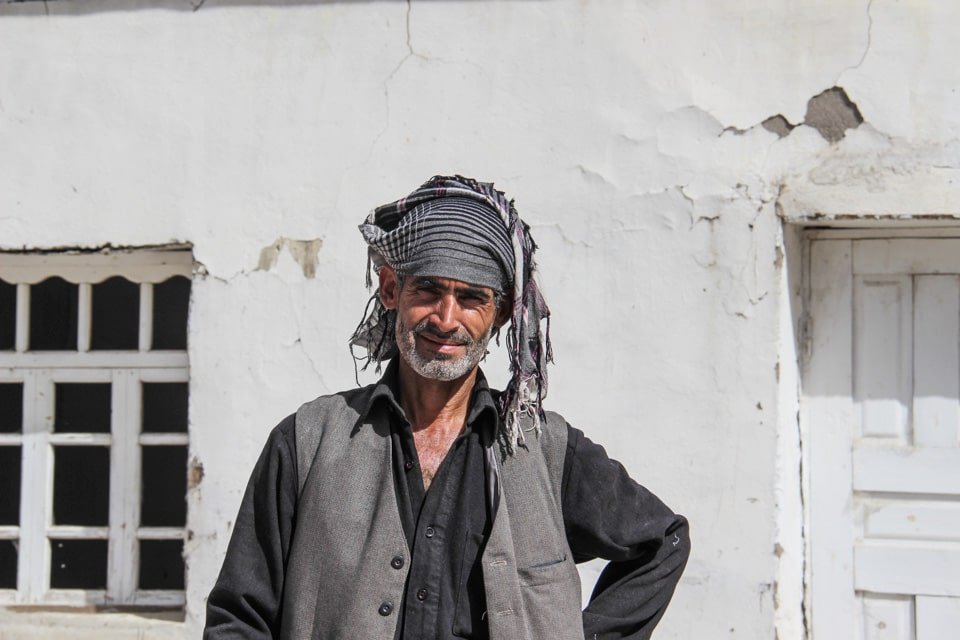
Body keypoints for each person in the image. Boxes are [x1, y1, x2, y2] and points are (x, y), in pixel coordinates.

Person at [204, 175, 690, 640]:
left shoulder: (544, 450)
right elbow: (240, 616)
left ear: (499, 314)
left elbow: (662, 541)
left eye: (472, 298)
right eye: (429, 290)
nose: (445, 318)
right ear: (392, 289)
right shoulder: (307, 441)